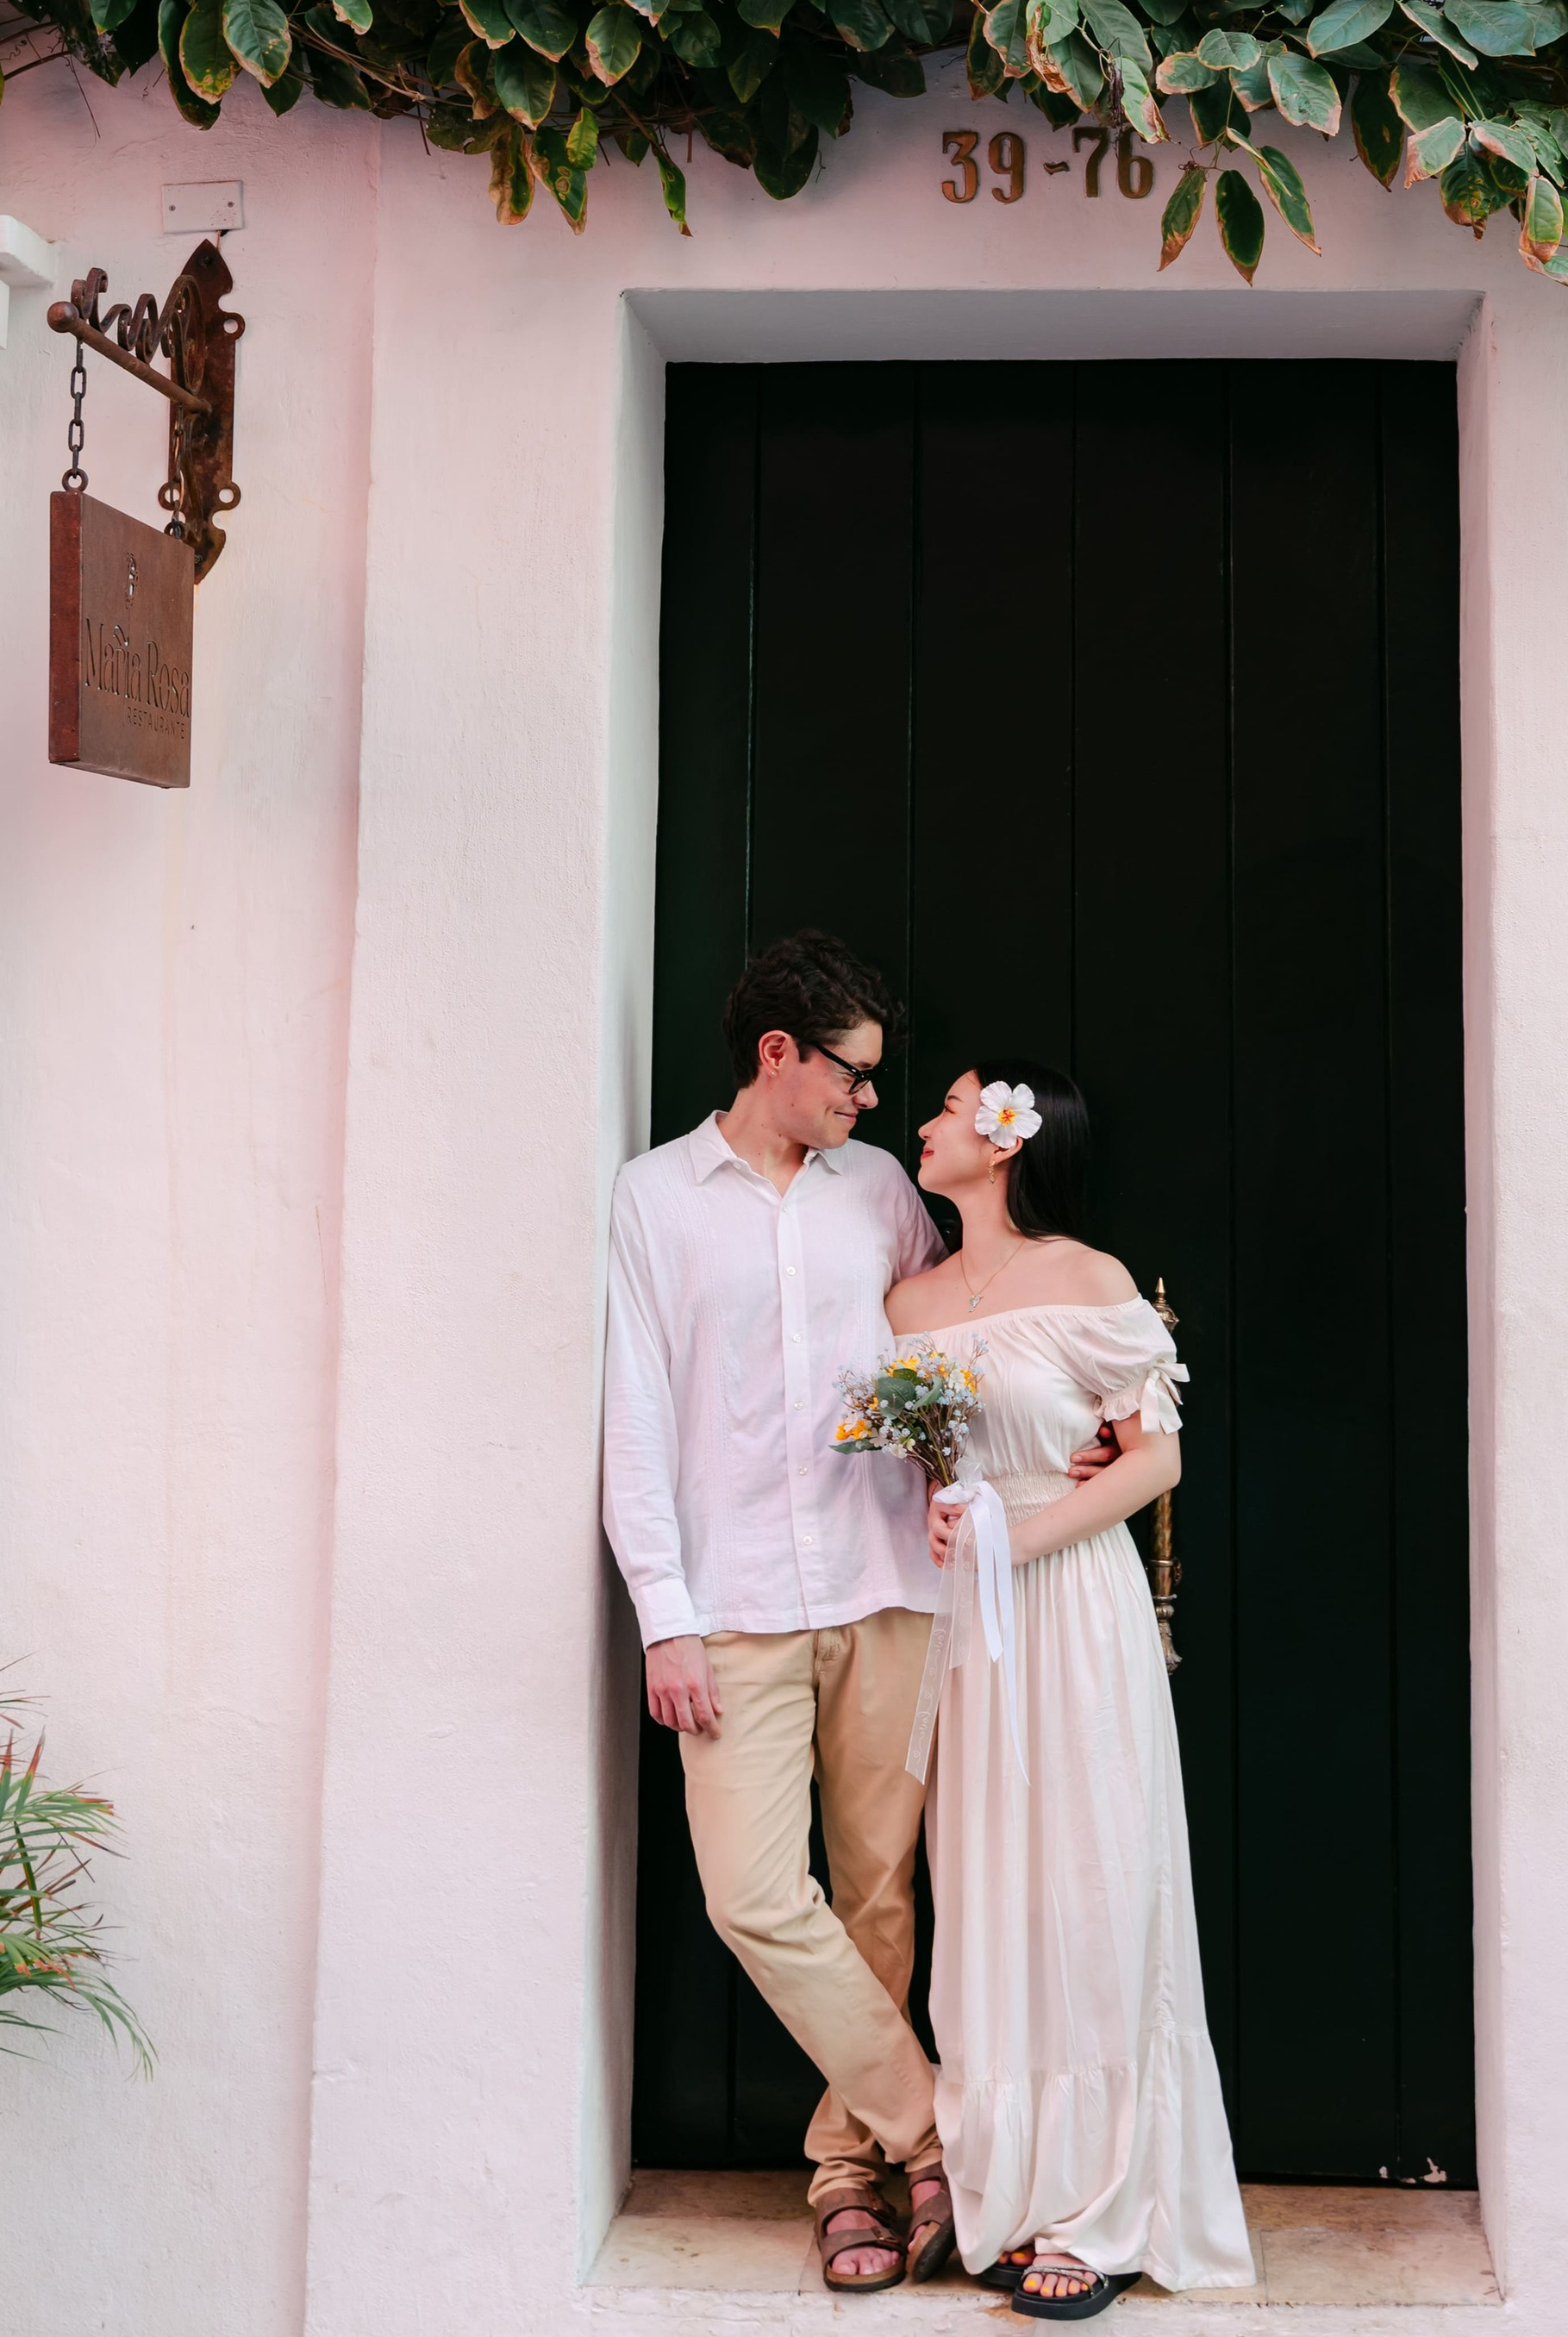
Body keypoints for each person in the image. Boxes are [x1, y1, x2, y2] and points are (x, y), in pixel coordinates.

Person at [602, 930, 956, 2293]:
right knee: (756, 1893)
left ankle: (847, 2179)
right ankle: (937, 2130)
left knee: (877, 1892)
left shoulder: (880, 1195)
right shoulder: (655, 1201)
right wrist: (662, 1614)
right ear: (777, 1056)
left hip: (886, 1583)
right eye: (854, 1075)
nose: (870, 1101)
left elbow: (951, 1334)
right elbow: (635, 1419)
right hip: (733, 1598)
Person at [885, 1063, 1255, 2321]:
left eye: (946, 1106)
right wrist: (950, 1526)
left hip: (1074, 1607)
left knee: (1096, 1881)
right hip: (970, 1634)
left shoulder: (1090, 1281)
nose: (922, 1122)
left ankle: (1106, 2205)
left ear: (1003, 1143)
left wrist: (1011, 1532)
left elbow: (1158, 1455)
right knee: (987, 1884)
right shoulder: (908, 1301)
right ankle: (1014, 2179)